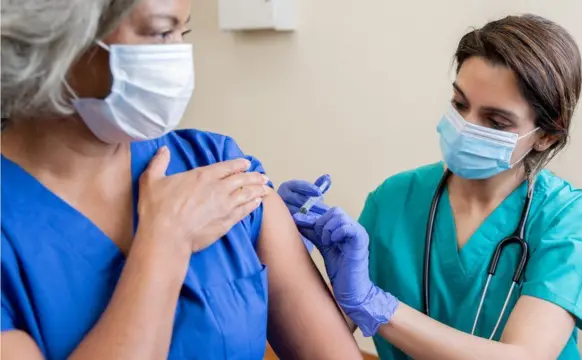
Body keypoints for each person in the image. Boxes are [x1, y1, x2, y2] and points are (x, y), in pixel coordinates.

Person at [0, 0, 363, 359]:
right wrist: (164, 242)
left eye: (183, 31)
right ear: (56, 36)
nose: (178, 58)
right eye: (160, 32)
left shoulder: (213, 165)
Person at [279, 14, 582, 360]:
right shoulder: (394, 200)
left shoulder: (571, 221)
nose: (466, 127)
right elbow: (322, 336)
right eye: (459, 104)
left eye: (495, 122)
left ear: (545, 136)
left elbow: (525, 355)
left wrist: (377, 305)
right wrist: (287, 251)